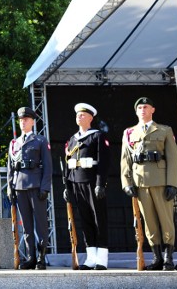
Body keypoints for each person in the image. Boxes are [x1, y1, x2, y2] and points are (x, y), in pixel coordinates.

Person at [121, 97, 177, 271]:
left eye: (146, 107)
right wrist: (127, 182)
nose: (143, 110)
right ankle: (157, 257)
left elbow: (173, 158)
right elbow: (126, 159)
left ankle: (168, 257)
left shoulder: (164, 130)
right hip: (140, 183)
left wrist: (172, 183)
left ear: (152, 109)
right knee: (149, 222)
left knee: (166, 220)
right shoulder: (129, 133)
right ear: (136, 111)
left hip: (161, 181)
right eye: (139, 107)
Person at [63, 103, 110, 270]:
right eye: (77, 115)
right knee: (85, 220)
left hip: (92, 182)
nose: (79, 117)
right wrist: (67, 187)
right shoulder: (72, 140)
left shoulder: (97, 136)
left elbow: (103, 163)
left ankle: (102, 258)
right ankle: (90, 257)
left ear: (91, 118)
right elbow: (69, 165)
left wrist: (100, 184)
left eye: (83, 115)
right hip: (77, 183)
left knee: (98, 219)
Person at [7, 106, 52, 270]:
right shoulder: (14, 143)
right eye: (20, 120)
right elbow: (11, 168)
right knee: (26, 225)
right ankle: (31, 257)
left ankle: (41, 257)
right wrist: (10, 189)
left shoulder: (40, 141)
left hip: (36, 185)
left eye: (26, 119)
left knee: (40, 223)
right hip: (19, 187)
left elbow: (48, 166)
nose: (23, 122)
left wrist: (45, 187)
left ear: (32, 121)